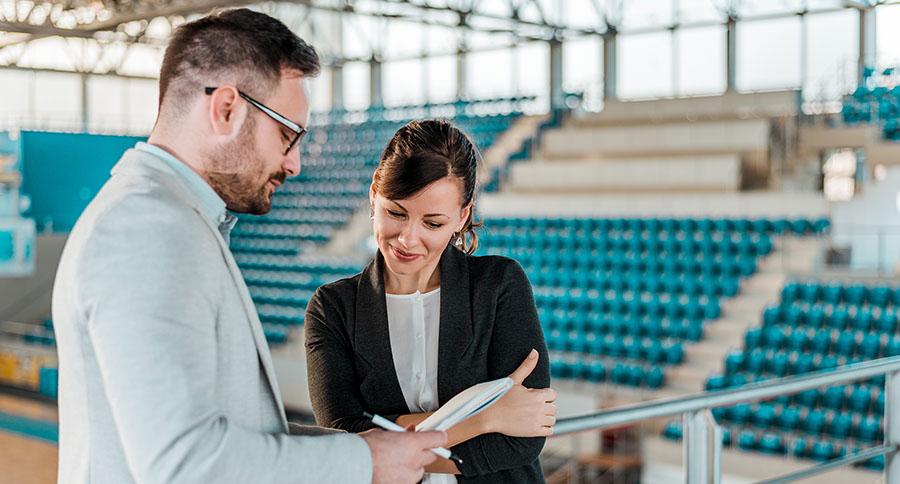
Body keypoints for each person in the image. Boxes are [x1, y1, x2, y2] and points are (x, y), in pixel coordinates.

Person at [51, 9, 445, 484]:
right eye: (287, 134)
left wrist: (363, 448)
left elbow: (230, 433)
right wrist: (365, 464)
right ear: (226, 110)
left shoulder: (173, 219)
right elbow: (185, 466)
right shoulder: (148, 229)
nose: (295, 163)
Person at [305, 118, 557, 483]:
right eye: (396, 213)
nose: (408, 239)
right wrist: (485, 418)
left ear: (462, 216)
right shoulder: (332, 308)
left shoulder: (499, 284)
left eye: (433, 223)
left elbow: (522, 441)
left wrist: (387, 445)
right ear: (375, 192)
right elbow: (345, 436)